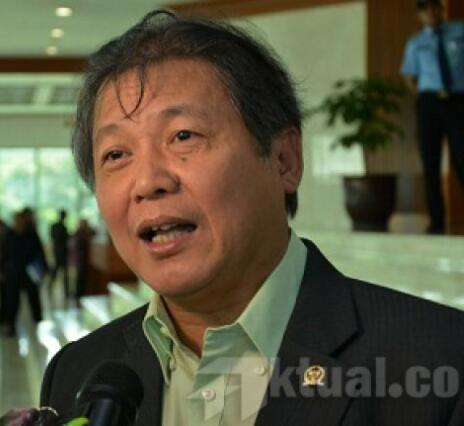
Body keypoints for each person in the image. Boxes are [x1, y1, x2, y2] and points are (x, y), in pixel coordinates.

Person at [40, 10, 464, 425]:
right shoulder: (76, 372)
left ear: (284, 160)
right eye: (116, 154)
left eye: (183, 136)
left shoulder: (441, 361)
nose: (148, 182)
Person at [401, 0, 464, 234]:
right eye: (427, 10)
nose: (433, 13)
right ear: (420, 15)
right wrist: (424, 97)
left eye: (436, 8)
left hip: (458, 101)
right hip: (429, 103)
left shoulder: (460, 31)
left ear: (442, 10)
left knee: (462, 157)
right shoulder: (415, 43)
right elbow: (409, 76)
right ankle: (437, 221)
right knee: (430, 161)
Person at [0, 210, 48, 337]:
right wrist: (2, 270)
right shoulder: (10, 235)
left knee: (34, 297)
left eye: (21, 220)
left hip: (30, 272)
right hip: (14, 272)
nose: (19, 222)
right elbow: (3, 254)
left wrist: (44, 268)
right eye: (16, 220)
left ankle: (38, 321)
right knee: (12, 300)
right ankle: (11, 325)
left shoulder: (31, 234)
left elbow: (40, 252)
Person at [48, 210, 70, 304]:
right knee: (60, 272)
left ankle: (51, 287)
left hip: (58, 252)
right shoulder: (62, 227)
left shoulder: (55, 226)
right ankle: (64, 291)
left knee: (59, 272)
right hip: (61, 252)